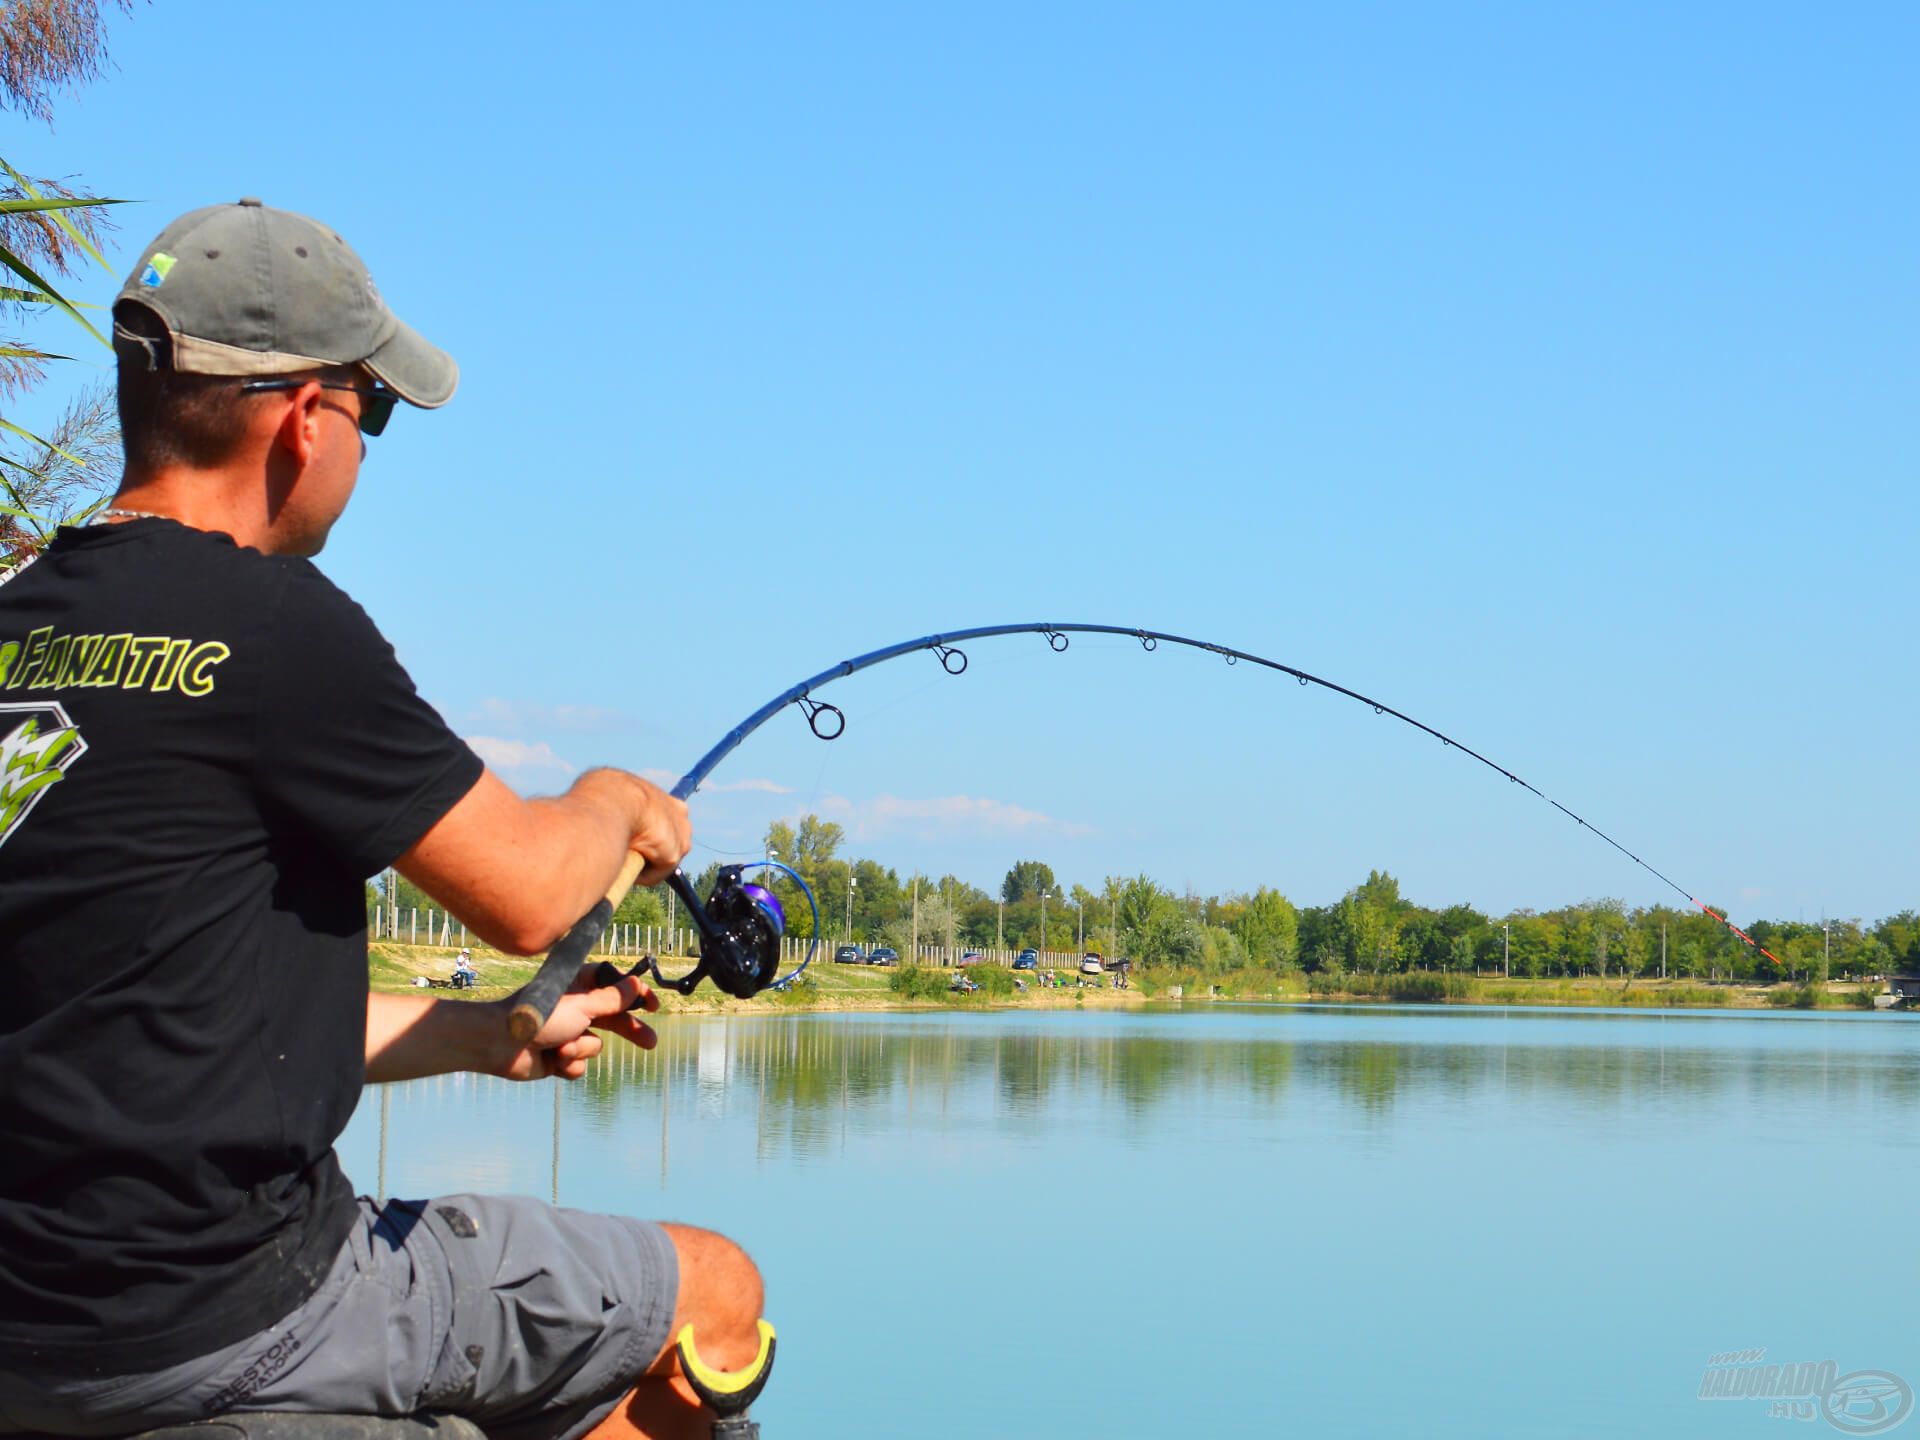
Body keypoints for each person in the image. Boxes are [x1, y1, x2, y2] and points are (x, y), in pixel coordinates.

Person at [0, 199, 763, 1440]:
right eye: (376, 414)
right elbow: (532, 895)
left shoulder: (20, 621)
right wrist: (616, 803)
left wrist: (480, 1034)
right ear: (305, 421)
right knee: (713, 1293)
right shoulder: (271, 622)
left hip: (33, 1323)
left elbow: (141, 1030)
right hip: (234, 1309)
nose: (365, 448)